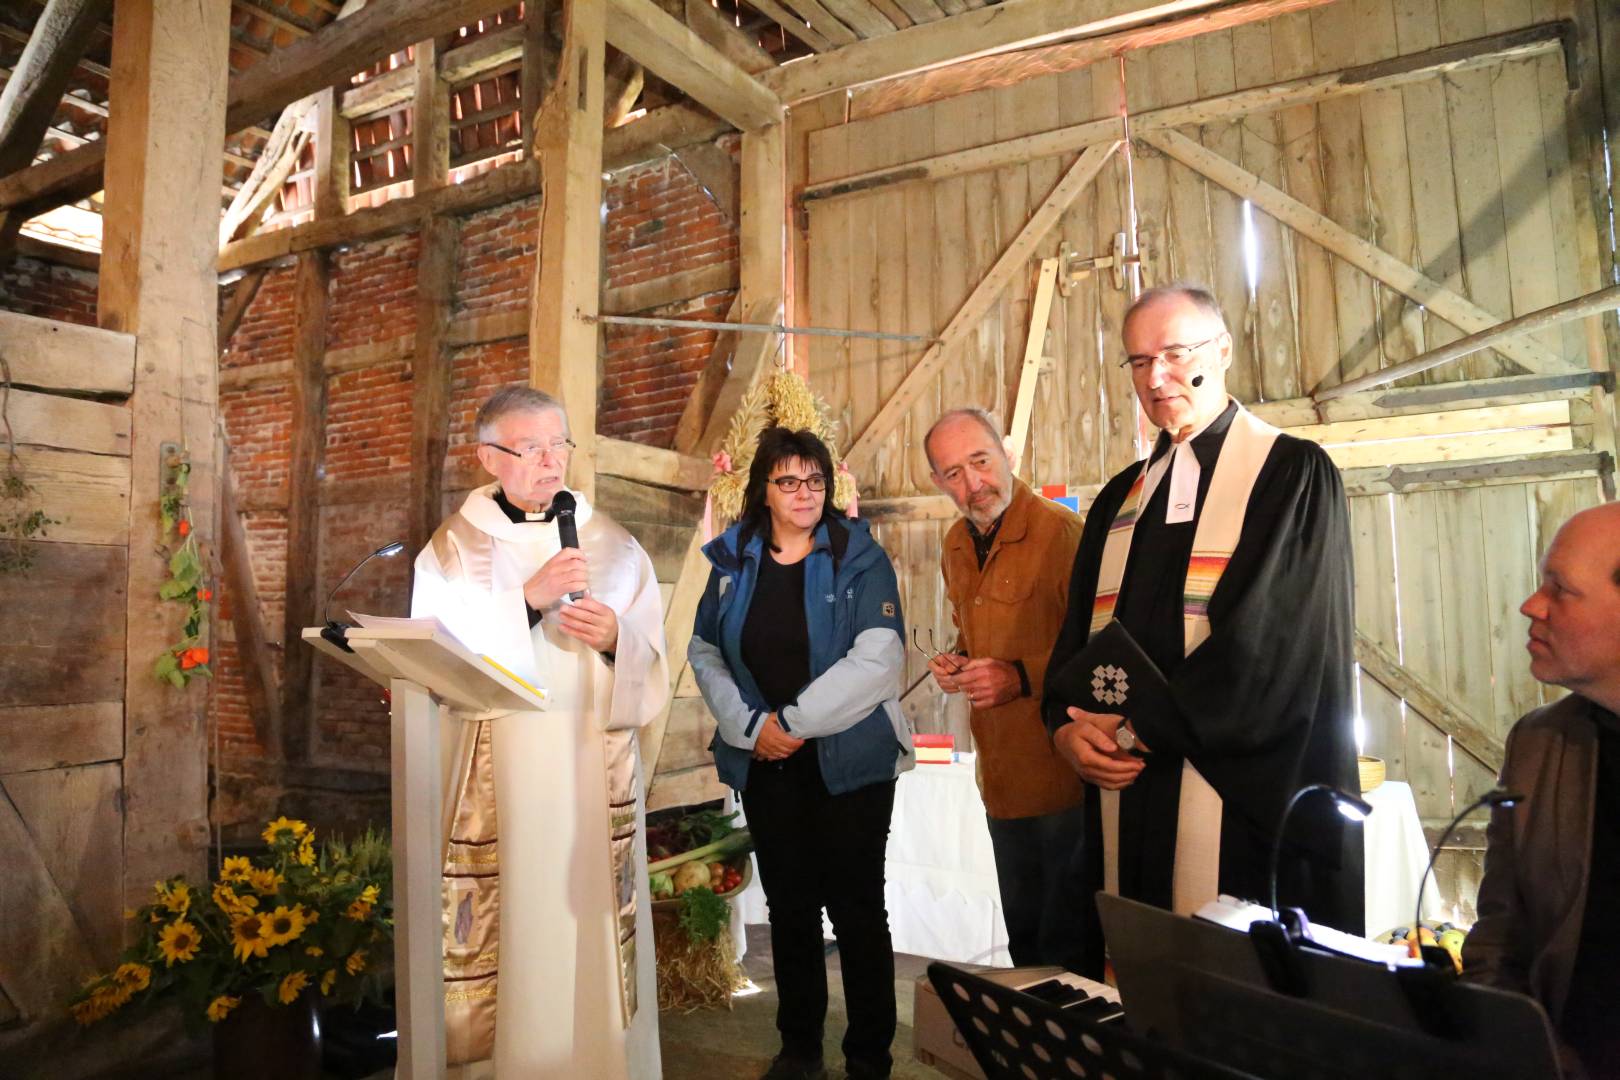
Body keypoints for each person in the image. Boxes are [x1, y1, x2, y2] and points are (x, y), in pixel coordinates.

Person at [1041, 284, 1362, 976]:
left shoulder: (1290, 476)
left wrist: (1126, 731)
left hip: (1238, 798)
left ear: (1221, 351)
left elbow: (1268, 653)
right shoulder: (1120, 499)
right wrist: (1065, 729)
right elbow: (1077, 647)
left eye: (1174, 353)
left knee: (1230, 1010)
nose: (1154, 377)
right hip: (1127, 798)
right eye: (1136, 361)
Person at [411, 386, 668, 1078]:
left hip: (590, 777)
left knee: (584, 937)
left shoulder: (613, 544)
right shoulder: (454, 549)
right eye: (530, 448)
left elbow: (654, 662)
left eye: (559, 445)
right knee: (516, 936)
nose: (551, 462)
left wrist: (617, 639)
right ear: (488, 456)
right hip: (504, 788)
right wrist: (526, 601)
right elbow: (435, 663)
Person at [689, 426, 912, 1080]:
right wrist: (748, 726)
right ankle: (800, 1048)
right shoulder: (732, 560)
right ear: (764, 489)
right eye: (789, 481)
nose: (805, 492)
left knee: (857, 909)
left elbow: (878, 660)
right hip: (766, 765)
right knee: (789, 908)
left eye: (815, 480)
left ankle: (869, 1055)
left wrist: (789, 722)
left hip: (850, 767)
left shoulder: (859, 556)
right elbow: (705, 651)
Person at [924, 407, 1087, 969]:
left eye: (981, 461)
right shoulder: (954, 543)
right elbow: (975, 631)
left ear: (1008, 454)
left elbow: (1101, 655)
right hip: (1001, 778)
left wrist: (1017, 676)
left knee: (1069, 949)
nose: (972, 484)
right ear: (937, 482)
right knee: (1025, 943)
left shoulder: (1063, 534)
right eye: (952, 473)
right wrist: (960, 661)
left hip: (1064, 776)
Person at [1465, 502, 1620, 1079]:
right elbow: (1499, 942)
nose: (1532, 605)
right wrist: (1526, 1045)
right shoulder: (1539, 746)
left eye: (1560, 589)